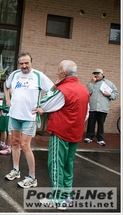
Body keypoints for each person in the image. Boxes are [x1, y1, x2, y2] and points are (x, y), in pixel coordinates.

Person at [35, 60, 90, 210]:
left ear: (64, 73)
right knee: (68, 164)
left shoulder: (63, 89)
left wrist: (53, 88)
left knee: (55, 164)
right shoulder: (84, 89)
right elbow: (85, 114)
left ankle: (58, 199)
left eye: (59, 70)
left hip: (60, 131)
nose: (57, 72)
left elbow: (45, 104)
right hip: (75, 132)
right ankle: (67, 195)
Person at [4, 51, 53, 188]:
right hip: (14, 114)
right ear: (18, 64)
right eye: (21, 63)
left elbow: (53, 90)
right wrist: (8, 99)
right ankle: (15, 170)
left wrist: (43, 107)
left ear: (31, 62)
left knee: (25, 145)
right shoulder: (14, 74)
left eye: (27, 63)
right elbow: (6, 86)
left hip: (29, 117)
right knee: (14, 142)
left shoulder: (38, 76)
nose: (24, 65)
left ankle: (32, 177)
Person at [84, 68, 118, 146]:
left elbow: (116, 94)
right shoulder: (91, 83)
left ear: (102, 74)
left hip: (103, 107)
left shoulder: (109, 83)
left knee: (101, 124)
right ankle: (89, 136)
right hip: (93, 106)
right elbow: (86, 92)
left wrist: (109, 95)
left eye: (98, 73)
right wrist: (91, 83)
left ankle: (100, 139)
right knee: (91, 122)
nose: (96, 75)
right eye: (95, 74)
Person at [0, 83, 12, 155]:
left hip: (10, 112)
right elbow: (5, 100)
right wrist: (2, 108)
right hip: (4, 111)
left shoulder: (12, 90)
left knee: (9, 131)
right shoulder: (6, 90)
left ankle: (8, 147)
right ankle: (2, 143)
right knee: (2, 128)